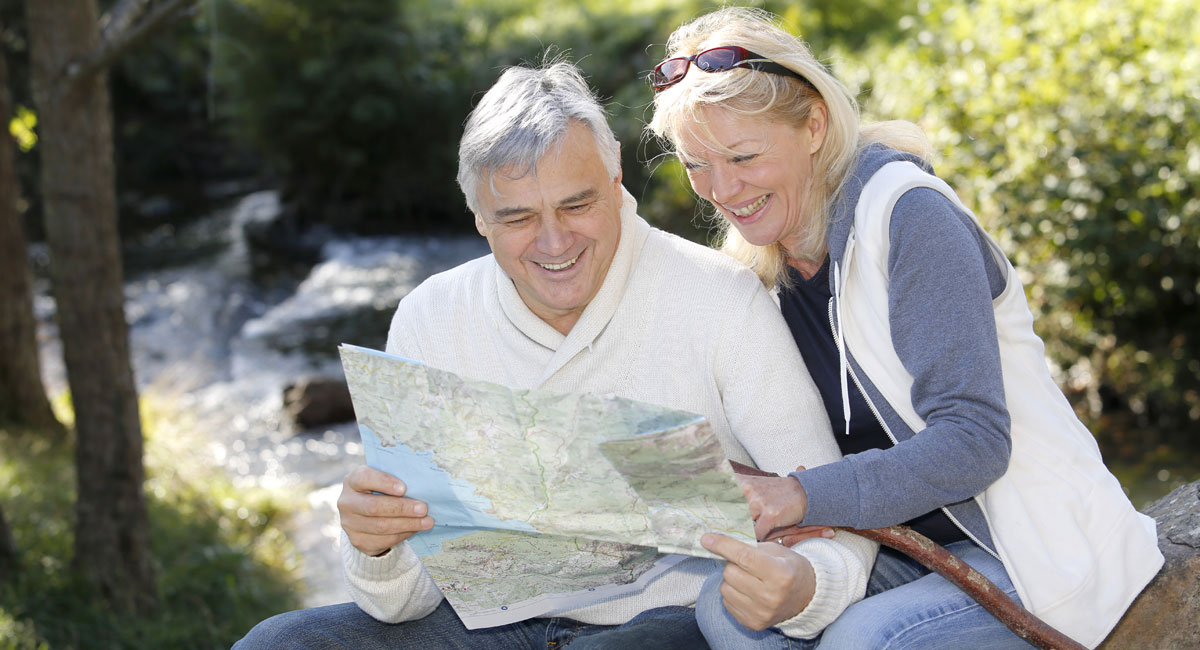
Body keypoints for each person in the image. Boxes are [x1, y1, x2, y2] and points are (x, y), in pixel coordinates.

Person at [234, 60, 876, 649]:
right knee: (276, 643)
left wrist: (803, 589)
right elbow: (406, 604)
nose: (553, 242)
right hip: (486, 629)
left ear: (615, 172)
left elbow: (838, 522)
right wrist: (376, 550)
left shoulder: (720, 299)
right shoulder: (431, 318)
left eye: (578, 203)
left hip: (667, 627)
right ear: (477, 214)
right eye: (516, 218)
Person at [646, 7, 1162, 650]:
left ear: (813, 125)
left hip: (1029, 553)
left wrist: (802, 495)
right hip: (894, 547)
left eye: (743, 156)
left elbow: (974, 442)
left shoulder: (909, 216)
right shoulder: (760, 270)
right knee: (728, 608)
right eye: (697, 166)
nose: (722, 189)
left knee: (865, 640)